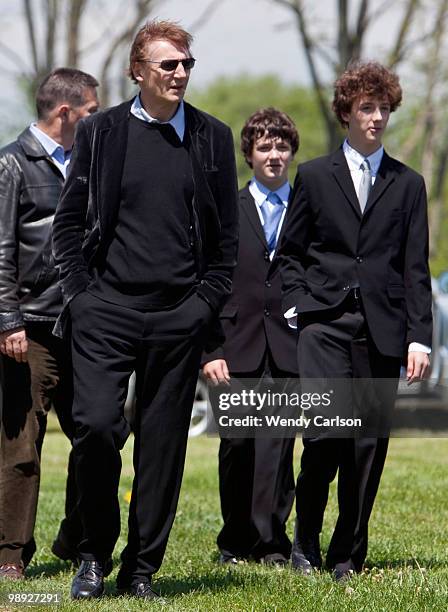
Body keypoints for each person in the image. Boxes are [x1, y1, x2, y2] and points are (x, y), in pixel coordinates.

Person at [52, 19, 238, 600]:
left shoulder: (212, 137)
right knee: (97, 430)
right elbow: (69, 224)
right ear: (139, 71)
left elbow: (226, 242)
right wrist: (81, 296)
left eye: (186, 64)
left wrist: (202, 305)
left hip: (178, 316)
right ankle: (92, 553)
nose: (180, 73)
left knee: (162, 448)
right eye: (168, 65)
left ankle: (141, 569)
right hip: (105, 311)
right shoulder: (101, 133)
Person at [277, 61, 432, 581]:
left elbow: (416, 268)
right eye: (367, 108)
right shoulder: (315, 177)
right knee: (325, 433)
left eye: (384, 108)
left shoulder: (408, 184)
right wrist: (300, 303)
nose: (377, 117)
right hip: (324, 324)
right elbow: (290, 253)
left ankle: (348, 554)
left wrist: (420, 338)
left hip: (383, 330)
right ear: (346, 112)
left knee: (367, 446)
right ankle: (304, 541)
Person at [0, 68, 99, 580]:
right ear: (66, 113)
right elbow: (0, 250)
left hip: (84, 324)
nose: (95, 120)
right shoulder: (12, 164)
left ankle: (76, 537)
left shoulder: (87, 165)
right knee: (21, 444)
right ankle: (10, 556)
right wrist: (8, 319)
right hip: (30, 329)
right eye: (90, 113)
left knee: (100, 433)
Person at [202, 108, 298, 566]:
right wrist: (211, 348)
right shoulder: (228, 209)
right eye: (265, 146)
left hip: (289, 343)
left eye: (281, 146)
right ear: (250, 154)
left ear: (292, 152)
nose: (274, 154)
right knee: (237, 445)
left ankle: (272, 543)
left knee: (277, 449)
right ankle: (234, 540)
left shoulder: (309, 209)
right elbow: (209, 279)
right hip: (235, 342)